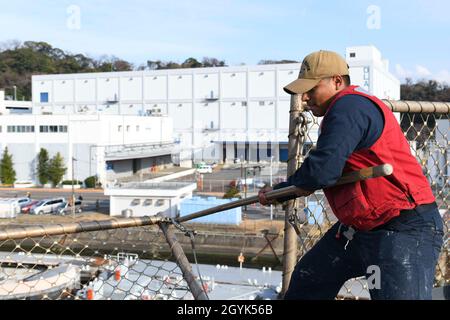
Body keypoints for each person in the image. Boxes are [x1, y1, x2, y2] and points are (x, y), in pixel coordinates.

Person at [258, 50, 444, 300]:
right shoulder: (344, 109)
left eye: (311, 89)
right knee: (310, 279)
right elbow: (323, 166)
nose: (304, 98)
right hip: (363, 227)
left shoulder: (349, 106)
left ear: (337, 81)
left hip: (404, 225)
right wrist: (281, 191)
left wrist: (282, 191)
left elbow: (322, 170)